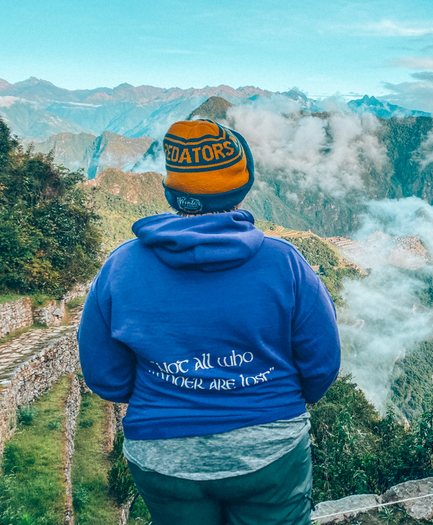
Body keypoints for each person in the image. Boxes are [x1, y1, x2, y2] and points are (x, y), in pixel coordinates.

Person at [78, 119, 341, 525]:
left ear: (170, 190)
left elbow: (104, 376)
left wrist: (172, 389)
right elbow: (322, 365)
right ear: (242, 186)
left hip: (163, 454)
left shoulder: (121, 266)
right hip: (269, 449)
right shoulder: (285, 263)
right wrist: (266, 398)